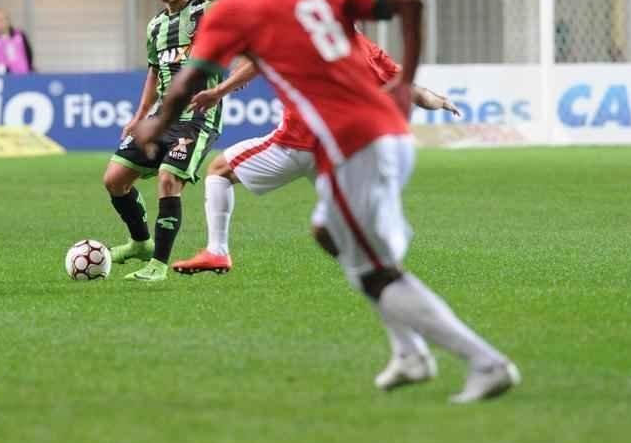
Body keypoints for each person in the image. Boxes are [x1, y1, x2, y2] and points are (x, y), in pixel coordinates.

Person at [132, 0, 519, 403]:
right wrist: (405, 84)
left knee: (375, 269)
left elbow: (191, 78)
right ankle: (409, 352)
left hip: (350, 143)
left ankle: (485, 362)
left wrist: (156, 121)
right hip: (386, 136)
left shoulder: (238, 8)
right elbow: (409, 1)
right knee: (331, 234)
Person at [174, 35, 459, 277]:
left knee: (219, 169)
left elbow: (260, 56)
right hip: (337, 152)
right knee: (351, 218)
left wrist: (222, 89)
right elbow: (411, 90)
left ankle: (217, 251)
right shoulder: (366, 49)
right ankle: (383, 261)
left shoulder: (306, 35)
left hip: (295, 144)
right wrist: (442, 101)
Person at [103, 0, 225, 283]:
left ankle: (158, 265)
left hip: (198, 117)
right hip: (160, 118)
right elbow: (154, 73)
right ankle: (140, 243)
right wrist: (139, 116)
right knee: (114, 179)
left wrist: (226, 86)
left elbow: (243, 46)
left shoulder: (208, 14)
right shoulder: (155, 25)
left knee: (169, 179)